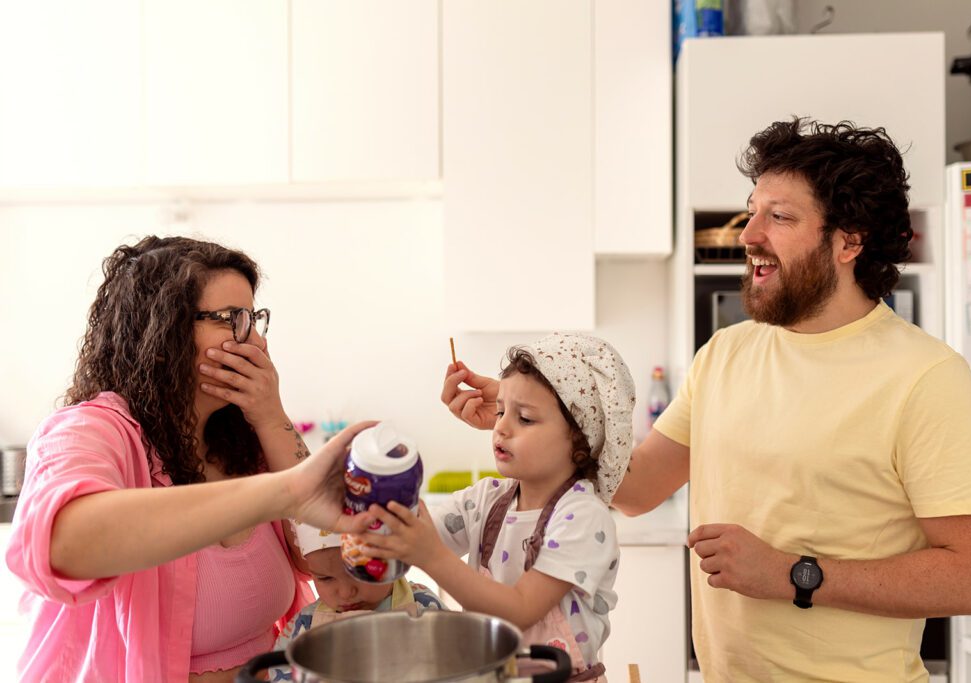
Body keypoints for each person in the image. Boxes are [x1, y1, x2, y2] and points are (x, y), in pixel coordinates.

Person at [441, 119, 971, 682]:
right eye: (754, 209)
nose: (748, 234)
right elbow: (637, 487)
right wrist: (535, 419)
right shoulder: (726, 353)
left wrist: (794, 575)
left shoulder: (925, 378)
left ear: (849, 241)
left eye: (780, 216)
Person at [5, 235, 375, 683]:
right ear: (161, 335)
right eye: (231, 320)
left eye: (254, 318)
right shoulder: (91, 430)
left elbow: (330, 560)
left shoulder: (241, 440)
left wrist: (270, 414)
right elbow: (61, 545)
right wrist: (284, 491)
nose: (253, 339)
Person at [360, 333, 635, 682]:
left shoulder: (583, 517)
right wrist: (385, 490)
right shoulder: (484, 502)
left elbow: (520, 609)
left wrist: (430, 556)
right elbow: (420, 534)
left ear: (579, 439)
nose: (499, 426)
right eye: (502, 411)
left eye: (525, 418)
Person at [267, 522, 445, 682]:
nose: (345, 593)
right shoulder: (304, 627)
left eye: (358, 573)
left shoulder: (424, 606)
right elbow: (280, 673)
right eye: (325, 578)